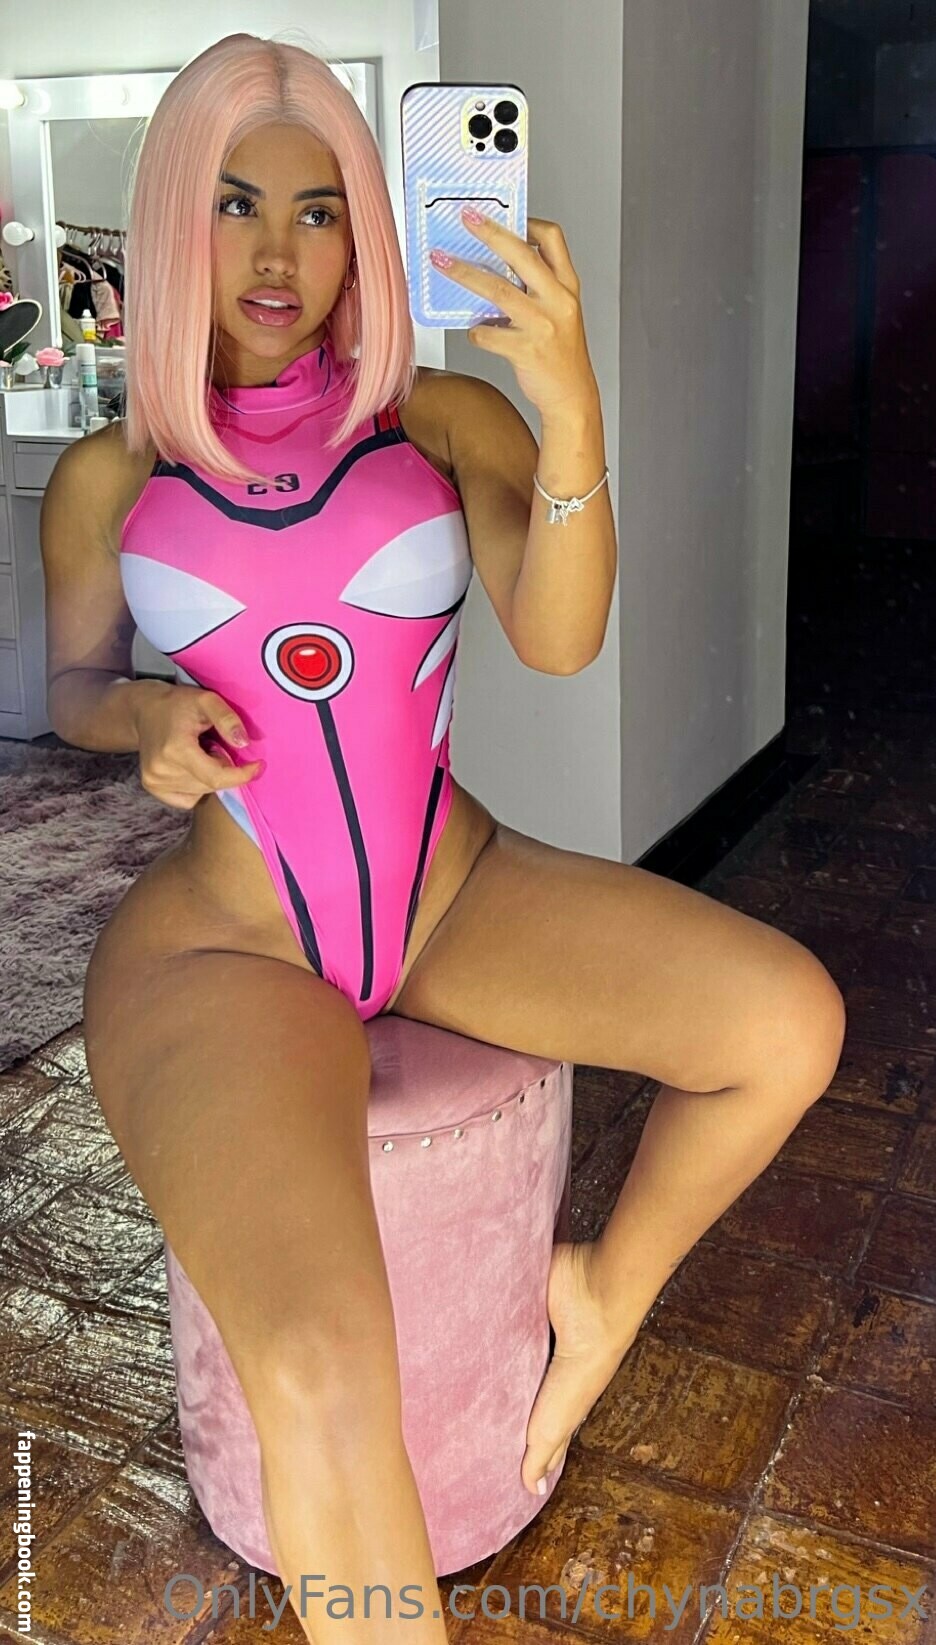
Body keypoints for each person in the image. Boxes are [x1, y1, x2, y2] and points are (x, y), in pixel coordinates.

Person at [40, 32, 846, 1645]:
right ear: (175, 216)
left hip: (452, 889)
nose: (279, 253)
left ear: (369, 228)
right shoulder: (107, 475)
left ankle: (597, 1295)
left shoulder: (441, 417)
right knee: (316, 1362)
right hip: (230, 941)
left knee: (787, 1025)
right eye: (237, 204)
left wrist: (571, 409)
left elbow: (559, 634)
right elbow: (68, 691)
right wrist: (142, 721)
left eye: (322, 208)